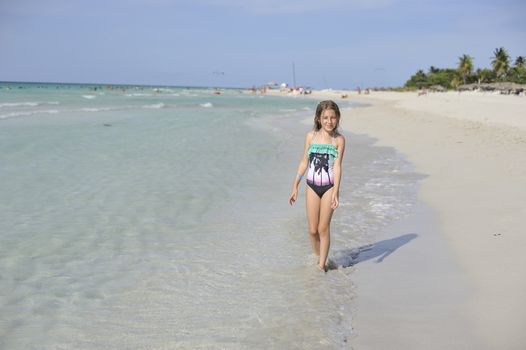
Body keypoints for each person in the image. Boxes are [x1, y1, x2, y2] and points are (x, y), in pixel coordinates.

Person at [289, 100, 346, 272]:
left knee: (323, 228)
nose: (329, 121)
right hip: (312, 186)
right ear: (319, 119)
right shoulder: (310, 137)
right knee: (313, 230)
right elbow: (304, 161)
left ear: (337, 119)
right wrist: (295, 186)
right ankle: (317, 257)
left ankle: (321, 267)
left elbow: (337, 167)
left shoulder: (339, 140)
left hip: (329, 187)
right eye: (325, 117)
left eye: (333, 118)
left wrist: (336, 192)